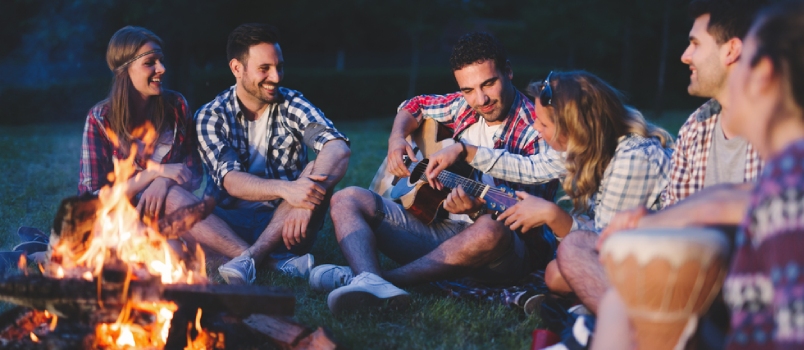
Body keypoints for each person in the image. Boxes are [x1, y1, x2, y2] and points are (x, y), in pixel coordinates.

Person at [592, 2, 804, 348]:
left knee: (620, 306)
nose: (684, 56)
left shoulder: (790, 182)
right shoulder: (779, 173)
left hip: (712, 292)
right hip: (710, 289)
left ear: (762, 73)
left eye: (744, 61)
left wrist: (655, 224)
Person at [311, 32, 566, 315]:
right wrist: (396, 139)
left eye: (488, 84)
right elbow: (415, 105)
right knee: (346, 199)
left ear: (508, 71)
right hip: (438, 227)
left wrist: (475, 211)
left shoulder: (537, 130)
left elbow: (525, 220)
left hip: (500, 251)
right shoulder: (464, 106)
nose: (480, 99)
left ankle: (376, 281)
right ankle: (371, 280)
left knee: (490, 230)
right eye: (468, 89)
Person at [555, 0, 767, 315]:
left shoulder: (778, 125)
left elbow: (767, 217)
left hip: (745, 279)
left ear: (731, 50)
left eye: (695, 44)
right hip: (689, 267)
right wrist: (643, 227)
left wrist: (656, 222)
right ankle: (637, 318)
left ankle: (628, 320)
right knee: (575, 248)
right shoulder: (696, 126)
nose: (685, 55)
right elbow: (675, 216)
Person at [195, 23, 350, 285]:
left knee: (318, 165)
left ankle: (247, 259)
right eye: (264, 68)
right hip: (229, 223)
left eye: (279, 67)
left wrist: (303, 199)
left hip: (287, 226)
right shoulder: (211, 116)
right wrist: (288, 190)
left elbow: (337, 147)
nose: (276, 77)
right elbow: (231, 181)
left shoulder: (292, 105)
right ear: (237, 68)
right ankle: (274, 263)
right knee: (177, 204)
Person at [496, 71, 673, 295]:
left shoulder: (633, 159)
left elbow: (605, 247)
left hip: (670, 263)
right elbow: (530, 167)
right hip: (635, 250)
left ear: (573, 130)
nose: (536, 128)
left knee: (557, 274)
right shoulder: (593, 146)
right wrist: (466, 151)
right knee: (558, 269)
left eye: (543, 123)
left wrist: (553, 215)